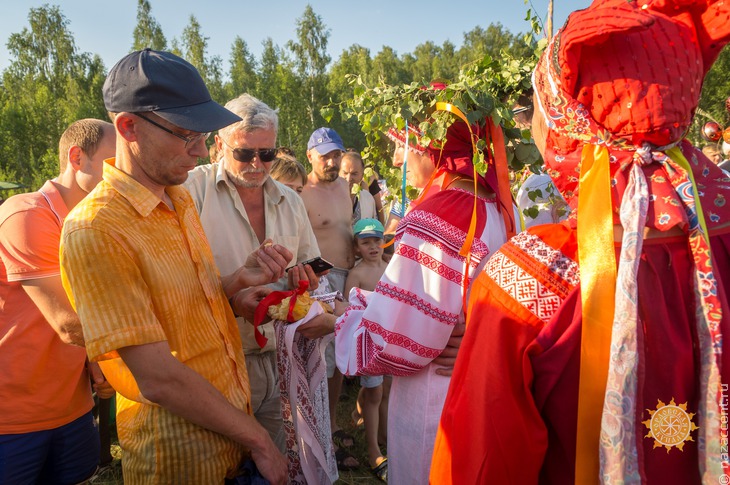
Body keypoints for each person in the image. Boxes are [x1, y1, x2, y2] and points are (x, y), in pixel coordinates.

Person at [431, 2, 730, 483]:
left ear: (572, 126)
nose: (534, 127)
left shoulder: (528, 276)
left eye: (540, 109)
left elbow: (481, 463)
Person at [60, 49, 289, 484]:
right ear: (129, 127)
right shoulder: (95, 229)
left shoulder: (178, 196)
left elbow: (184, 304)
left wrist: (237, 285)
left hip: (231, 435)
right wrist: (259, 439)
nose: (202, 151)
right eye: (188, 136)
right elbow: (157, 377)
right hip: (179, 459)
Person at [301, 110, 517, 483]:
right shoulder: (498, 208)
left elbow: (398, 340)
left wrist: (339, 322)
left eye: (405, 147)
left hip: (435, 394)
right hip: (480, 380)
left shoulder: (442, 215)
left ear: (435, 147)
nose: (398, 160)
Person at [184, 93, 320, 452]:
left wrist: (305, 283)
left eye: (268, 154)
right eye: (245, 153)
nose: (257, 164)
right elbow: (173, 283)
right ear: (219, 145)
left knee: (273, 460)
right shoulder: (190, 191)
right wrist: (232, 293)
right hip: (215, 361)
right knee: (221, 462)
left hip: (278, 358)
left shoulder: (290, 201)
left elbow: (305, 267)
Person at [0, 119, 116, 484]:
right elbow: (69, 322)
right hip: (13, 416)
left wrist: (97, 359)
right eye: (114, 165)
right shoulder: (27, 213)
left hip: (73, 408)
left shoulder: (98, 222)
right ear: (77, 157)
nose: (123, 178)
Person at [301, 126, 359, 466]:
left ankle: (333, 422)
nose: (332, 161)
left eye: (336, 154)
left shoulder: (343, 186)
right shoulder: (302, 193)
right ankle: (317, 428)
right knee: (323, 359)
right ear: (310, 156)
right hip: (323, 281)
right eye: (325, 156)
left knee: (340, 359)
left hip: (350, 278)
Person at [344, 218, 389, 481]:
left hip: (390, 339)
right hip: (369, 340)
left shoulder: (392, 268)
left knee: (386, 390)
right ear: (357, 246)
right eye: (366, 242)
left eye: (377, 241)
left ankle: (381, 432)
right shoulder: (357, 274)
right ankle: (373, 449)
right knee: (375, 392)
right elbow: (350, 311)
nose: (373, 247)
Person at [339, 151, 381, 225]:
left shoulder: (368, 198)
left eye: (354, 174)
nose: (349, 178)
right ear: (338, 173)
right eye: (345, 173)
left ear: (362, 175)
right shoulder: (329, 198)